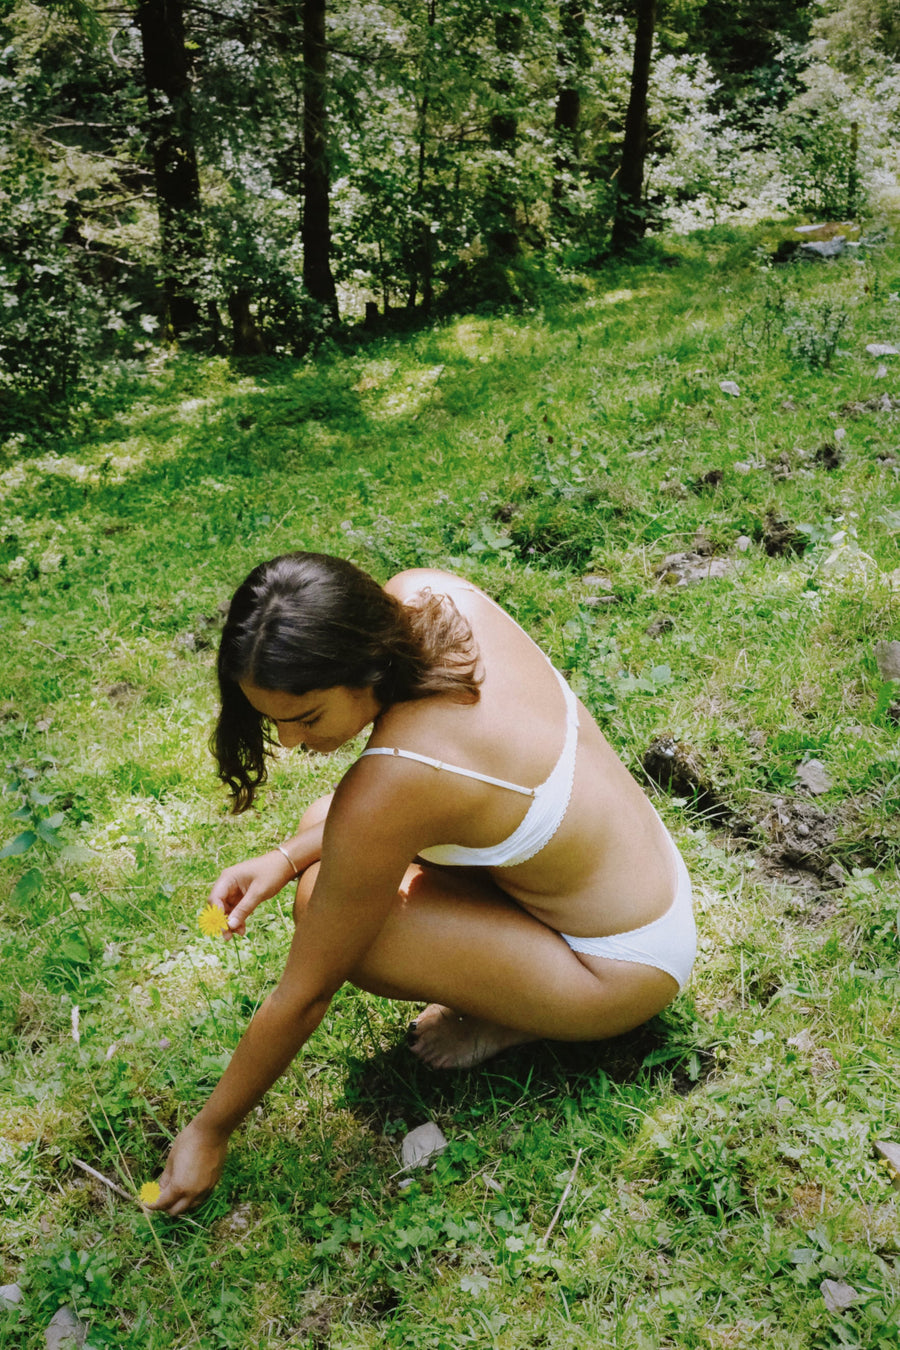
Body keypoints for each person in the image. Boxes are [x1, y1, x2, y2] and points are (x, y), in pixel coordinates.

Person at [150, 552, 696, 1216]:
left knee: (336, 910)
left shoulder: (398, 779)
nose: (290, 742)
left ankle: (518, 1020)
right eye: (273, 721)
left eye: (309, 716)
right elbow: (410, 801)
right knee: (327, 825)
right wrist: (288, 855)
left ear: (366, 664)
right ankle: (521, 987)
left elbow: (308, 990)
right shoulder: (430, 597)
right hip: (646, 874)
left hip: (622, 969)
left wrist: (210, 1131)